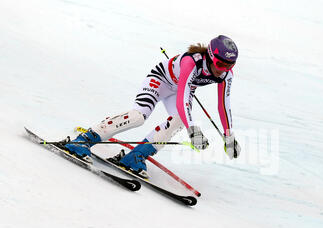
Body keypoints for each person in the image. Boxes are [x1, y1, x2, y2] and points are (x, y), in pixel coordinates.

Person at [63, 35, 241, 178]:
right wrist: (193, 130)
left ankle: (136, 156)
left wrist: (229, 136)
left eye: (229, 65)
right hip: (160, 81)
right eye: (220, 64)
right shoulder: (191, 62)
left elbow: (224, 105)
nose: (223, 69)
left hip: (178, 90)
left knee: (179, 121)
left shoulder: (226, 75)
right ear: (210, 57)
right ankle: (84, 139)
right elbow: (183, 96)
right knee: (139, 116)